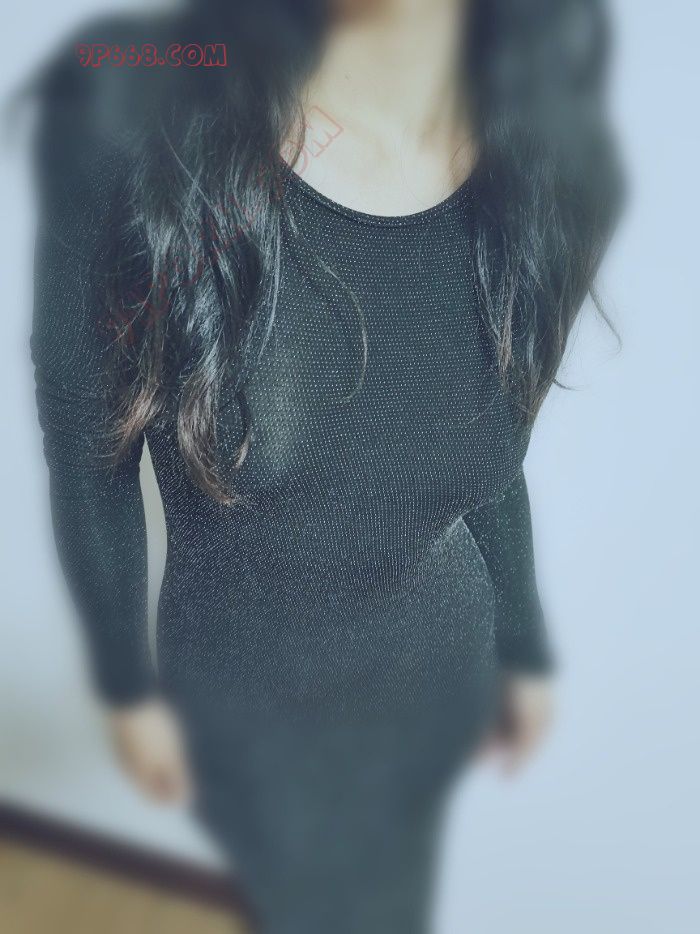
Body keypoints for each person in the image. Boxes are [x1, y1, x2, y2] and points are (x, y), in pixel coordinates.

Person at [31, 1, 621, 931]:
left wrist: (523, 647)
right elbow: (85, 442)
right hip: (244, 701)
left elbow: (480, 467)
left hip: (437, 676)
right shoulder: (125, 102)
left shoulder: (550, 177)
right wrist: (126, 688)